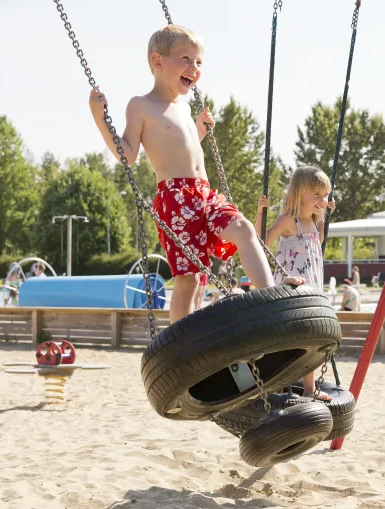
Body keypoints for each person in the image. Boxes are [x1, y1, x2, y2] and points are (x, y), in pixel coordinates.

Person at [88, 25, 302, 323]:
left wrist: (200, 130)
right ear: (158, 61)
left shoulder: (184, 108)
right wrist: (101, 120)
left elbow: (183, 150)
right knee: (188, 279)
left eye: (199, 62)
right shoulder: (141, 105)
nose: (194, 68)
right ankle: (180, 346)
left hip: (204, 193)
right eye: (186, 59)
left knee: (243, 229)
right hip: (175, 198)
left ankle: (269, 294)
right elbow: (130, 154)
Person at [256, 165, 336, 400]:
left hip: (311, 286)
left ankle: (310, 389)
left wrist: (325, 215)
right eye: (318, 195)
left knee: (311, 337)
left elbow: (319, 241)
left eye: (326, 195)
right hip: (291, 286)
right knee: (289, 338)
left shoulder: (314, 220)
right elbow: (261, 243)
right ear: (300, 192)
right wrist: (261, 212)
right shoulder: (288, 220)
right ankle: (278, 384)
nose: (323, 200)